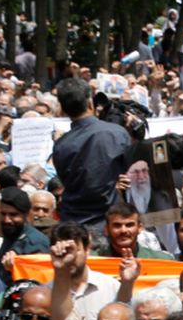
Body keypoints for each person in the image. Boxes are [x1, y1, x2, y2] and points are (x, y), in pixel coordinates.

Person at [50, 77, 132, 225]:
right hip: (111, 225)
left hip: (74, 226)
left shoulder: (60, 145)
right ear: (90, 103)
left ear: (62, 109)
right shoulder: (117, 133)